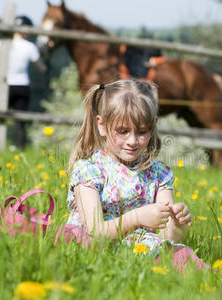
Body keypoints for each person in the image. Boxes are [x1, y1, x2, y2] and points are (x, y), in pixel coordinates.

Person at [56, 79, 209, 272]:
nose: (133, 141)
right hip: (96, 245)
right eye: (123, 131)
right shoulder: (89, 171)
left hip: (140, 249)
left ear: (153, 125)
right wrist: (137, 218)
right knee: (76, 238)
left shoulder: (158, 175)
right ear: (102, 125)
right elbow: (95, 231)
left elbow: (167, 237)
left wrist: (178, 225)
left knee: (179, 253)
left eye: (142, 132)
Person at [0, 15, 47, 148]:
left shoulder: (0, 43)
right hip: (22, 86)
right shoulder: (30, 47)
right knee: (20, 121)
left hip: (2, 86)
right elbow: (41, 68)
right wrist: (44, 58)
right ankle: (21, 147)